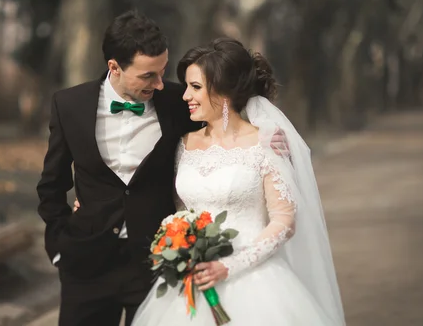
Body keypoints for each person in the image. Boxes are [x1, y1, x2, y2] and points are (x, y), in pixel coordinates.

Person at [37, 10, 289, 326]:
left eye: (162, 71)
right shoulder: (68, 105)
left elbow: (224, 111)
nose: (159, 83)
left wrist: (265, 130)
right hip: (87, 265)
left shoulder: (176, 101)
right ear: (114, 67)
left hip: (157, 267)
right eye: (147, 76)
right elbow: (50, 185)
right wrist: (60, 247)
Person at [132, 37, 346, 325]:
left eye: (195, 87)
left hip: (256, 284)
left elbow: (284, 221)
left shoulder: (266, 142)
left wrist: (229, 266)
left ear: (223, 93)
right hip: (192, 284)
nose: (185, 96)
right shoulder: (184, 144)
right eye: (186, 87)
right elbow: (180, 211)